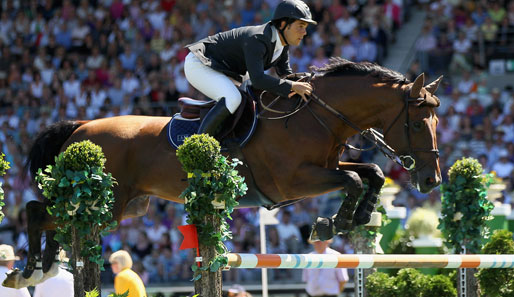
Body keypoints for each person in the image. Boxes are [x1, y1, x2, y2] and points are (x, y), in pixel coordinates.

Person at [184, 0, 315, 135]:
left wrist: (310, 82)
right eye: (300, 26)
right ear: (283, 24)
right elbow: (258, 79)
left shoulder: (282, 45)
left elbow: (286, 76)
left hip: (225, 70)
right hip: (199, 63)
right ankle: (199, 145)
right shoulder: (258, 39)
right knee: (233, 98)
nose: (304, 32)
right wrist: (293, 86)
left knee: (251, 99)